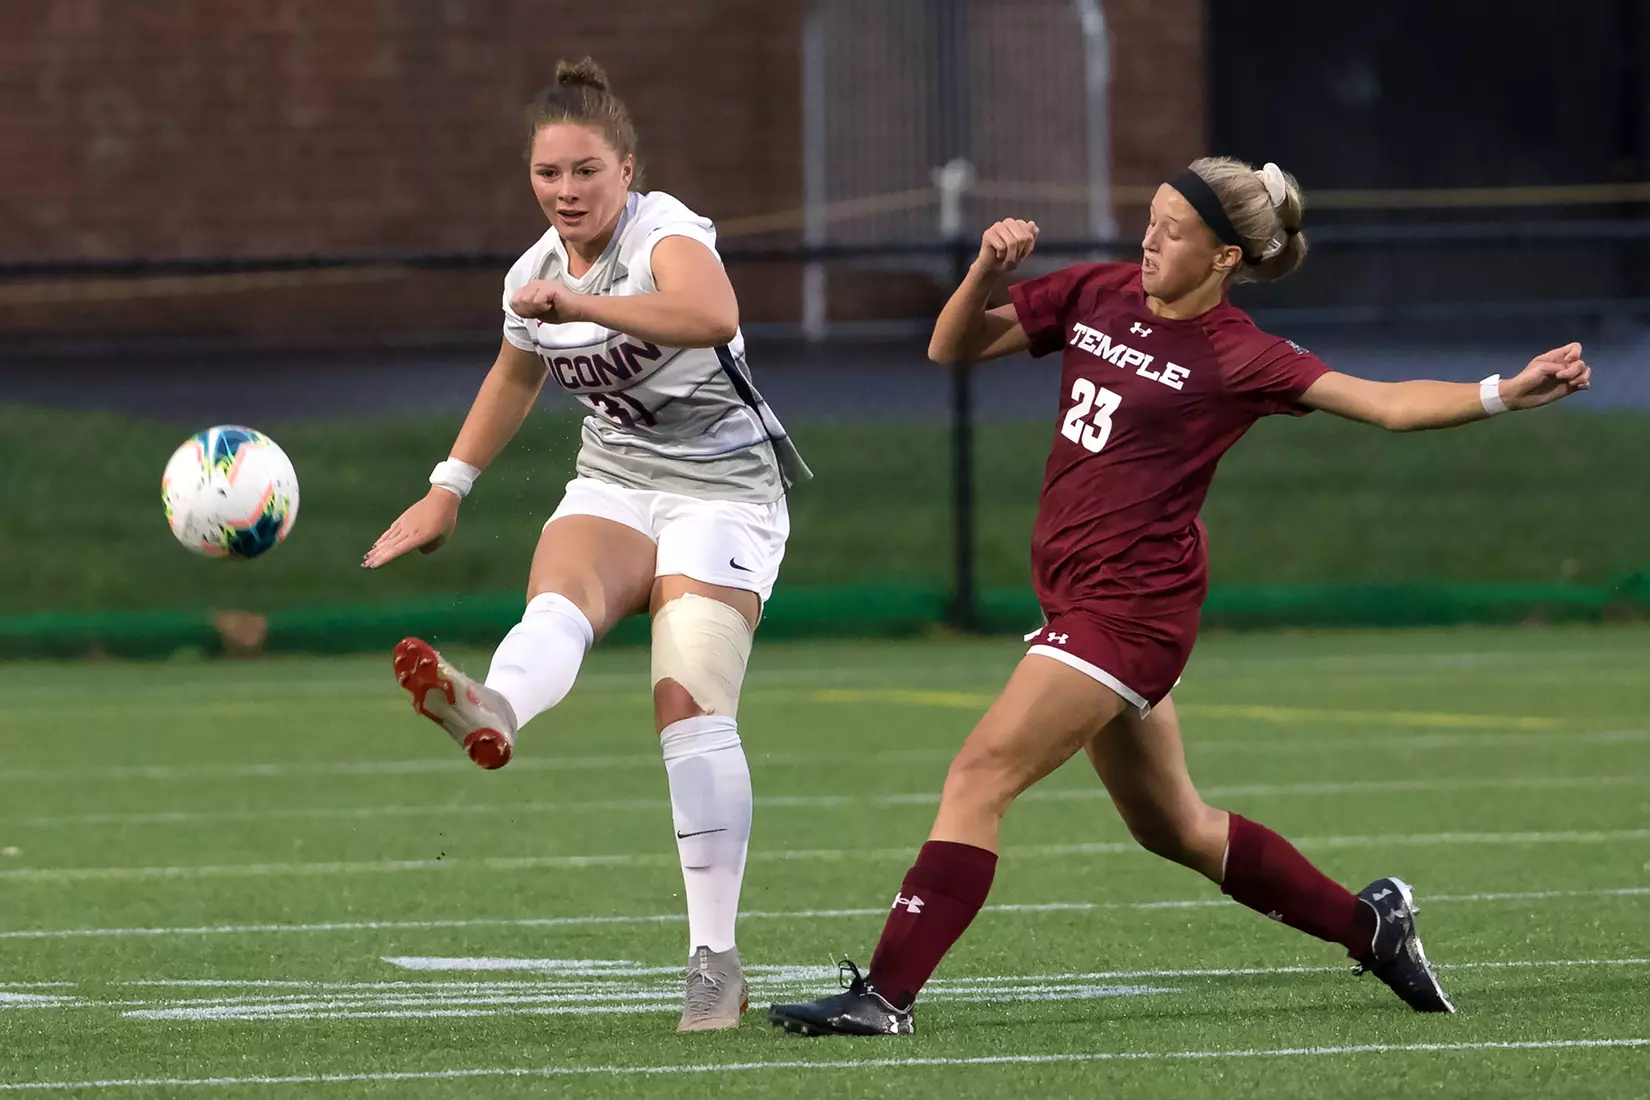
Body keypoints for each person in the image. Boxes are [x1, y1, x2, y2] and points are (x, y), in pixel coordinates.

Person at [768, 156, 1590, 1036]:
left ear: (1225, 257)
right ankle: (1372, 927)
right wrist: (983, 273)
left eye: (1173, 228)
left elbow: (1384, 403)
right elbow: (951, 346)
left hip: (1130, 612)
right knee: (1176, 828)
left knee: (980, 775)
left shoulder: (1239, 352)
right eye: (1151, 219)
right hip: (1079, 600)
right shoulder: (1100, 291)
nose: (1150, 239)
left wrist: (1505, 393)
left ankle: (885, 997)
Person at [362, 57, 810, 1033]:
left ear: (627, 170)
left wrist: (586, 306)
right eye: (547, 173)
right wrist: (447, 489)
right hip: (616, 478)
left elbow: (713, 315)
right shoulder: (531, 274)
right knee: (556, 608)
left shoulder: (666, 232)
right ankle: (493, 705)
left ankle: (714, 961)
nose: (565, 191)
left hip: (726, 492)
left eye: (585, 171)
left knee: (686, 705)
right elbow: (515, 373)